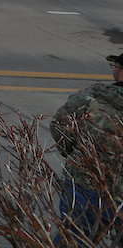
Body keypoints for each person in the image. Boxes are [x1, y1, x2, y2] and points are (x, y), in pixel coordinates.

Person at [48, 54, 123, 242]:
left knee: (74, 238)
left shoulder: (89, 98)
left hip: (86, 185)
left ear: (120, 72)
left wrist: (76, 156)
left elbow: (60, 127)